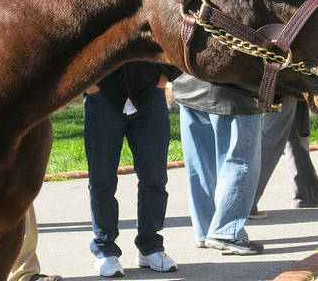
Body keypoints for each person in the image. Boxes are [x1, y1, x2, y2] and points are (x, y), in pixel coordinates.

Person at [84, 61, 181, 277]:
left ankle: (150, 247)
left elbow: (173, 36)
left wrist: (163, 79)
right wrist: (90, 84)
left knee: (155, 177)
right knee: (102, 179)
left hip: (150, 94)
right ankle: (105, 249)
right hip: (104, 95)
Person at [172, 73, 264, 255]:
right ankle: (225, 231)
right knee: (241, 160)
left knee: (198, 165)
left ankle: (205, 231)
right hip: (235, 88)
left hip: (189, 84)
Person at [249, 97, 318, 219]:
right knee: (273, 136)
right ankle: (245, 203)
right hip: (280, 82)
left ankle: (309, 194)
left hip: (286, 82)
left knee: (294, 129)